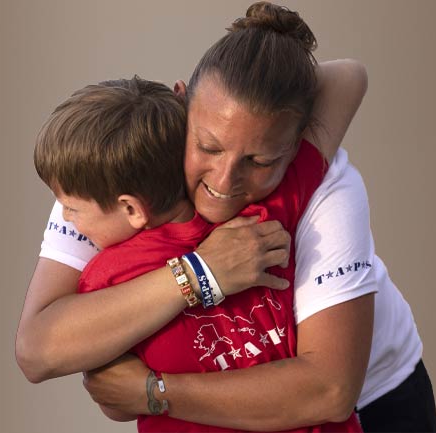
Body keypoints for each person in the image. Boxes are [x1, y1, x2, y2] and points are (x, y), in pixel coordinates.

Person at [16, 2, 436, 432]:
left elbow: (328, 391)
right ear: (182, 106)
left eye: (260, 159)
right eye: (210, 146)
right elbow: (43, 351)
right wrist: (203, 273)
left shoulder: (322, 191)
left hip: (375, 398)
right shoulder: (105, 180)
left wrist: (155, 391)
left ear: (294, 149)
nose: (225, 179)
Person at [31, 75, 362, 432]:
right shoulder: (265, 213)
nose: (66, 219)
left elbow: (115, 401)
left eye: (71, 208)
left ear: (131, 209)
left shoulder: (105, 280)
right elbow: (348, 77)